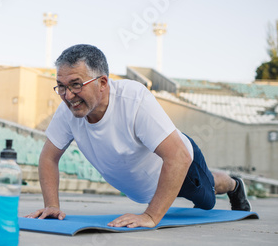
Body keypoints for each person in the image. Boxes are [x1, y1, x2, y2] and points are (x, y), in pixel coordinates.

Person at [25, 44, 251, 228]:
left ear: (102, 82)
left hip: (180, 167)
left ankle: (233, 184)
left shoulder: (133, 99)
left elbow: (179, 157)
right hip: (148, 183)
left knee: (207, 199)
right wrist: (51, 205)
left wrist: (151, 216)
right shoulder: (67, 112)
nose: (68, 95)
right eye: (61, 87)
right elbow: (48, 158)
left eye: (76, 85)